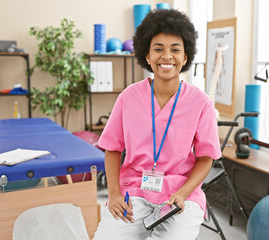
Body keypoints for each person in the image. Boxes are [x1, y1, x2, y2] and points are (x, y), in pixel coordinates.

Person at [93, 9, 221, 240]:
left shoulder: (201, 103)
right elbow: (112, 149)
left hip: (180, 196)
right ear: (147, 56)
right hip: (134, 190)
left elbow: (206, 158)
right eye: (158, 49)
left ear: (185, 57)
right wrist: (113, 194)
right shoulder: (128, 97)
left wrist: (183, 194)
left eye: (175, 50)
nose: (167, 56)